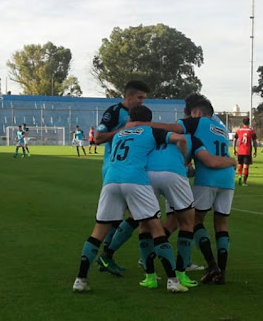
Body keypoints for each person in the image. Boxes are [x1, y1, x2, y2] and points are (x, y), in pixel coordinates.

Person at [72, 105, 189, 293]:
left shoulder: (120, 134)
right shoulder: (150, 131)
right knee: (156, 228)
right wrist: (185, 160)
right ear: (148, 119)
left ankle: (80, 279)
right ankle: (173, 281)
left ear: (130, 118)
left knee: (98, 232)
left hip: (111, 180)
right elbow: (180, 138)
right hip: (135, 180)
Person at [138, 96, 235, 285]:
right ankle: (221, 272)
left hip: (207, 178)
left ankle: (211, 265)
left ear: (197, 112)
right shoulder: (222, 130)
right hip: (228, 178)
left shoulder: (196, 123)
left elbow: (173, 129)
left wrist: (141, 123)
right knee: (222, 224)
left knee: (195, 221)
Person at [93, 81, 150, 273]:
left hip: (126, 170)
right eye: (140, 97)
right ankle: (107, 256)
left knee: (122, 216)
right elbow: (97, 138)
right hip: (115, 168)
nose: (142, 102)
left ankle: (107, 258)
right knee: (134, 216)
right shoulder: (114, 111)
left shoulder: (137, 115)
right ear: (129, 96)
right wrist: (123, 130)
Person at [233, 117, 257, 186]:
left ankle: (239, 175)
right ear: (249, 123)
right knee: (246, 167)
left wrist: (234, 149)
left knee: (240, 165)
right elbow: (255, 142)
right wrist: (255, 151)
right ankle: (244, 182)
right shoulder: (251, 131)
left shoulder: (238, 130)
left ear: (243, 123)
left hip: (240, 151)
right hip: (247, 151)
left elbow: (234, 140)